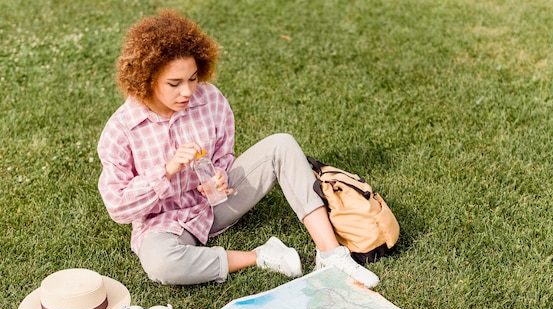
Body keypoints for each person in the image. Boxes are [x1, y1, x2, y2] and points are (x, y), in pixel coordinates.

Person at [97, 9, 379, 288]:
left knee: (281, 144)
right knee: (162, 264)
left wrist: (219, 175)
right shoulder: (122, 129)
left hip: (217, 205)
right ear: (147, 79)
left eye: (193, 78)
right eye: (174, 83)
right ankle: (260, 256)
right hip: (164, 224)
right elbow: (118, 207)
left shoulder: (210, 100)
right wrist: (167, 171)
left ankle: (330, 254)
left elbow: (223, 157)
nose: (187, 91)